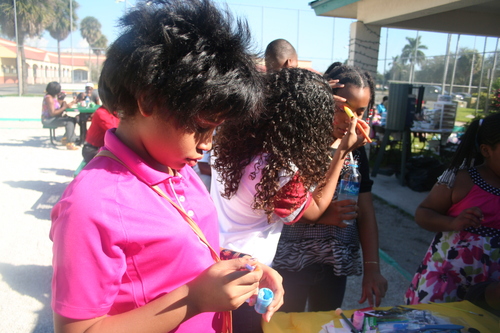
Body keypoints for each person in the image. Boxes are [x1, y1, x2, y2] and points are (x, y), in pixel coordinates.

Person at [50, 1, 284, 333]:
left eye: (216, 129)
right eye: (202, 126)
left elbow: (185, 252)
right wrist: (193, 300)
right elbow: (77, 330)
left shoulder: (177, 168)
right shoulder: (91, 205)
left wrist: (243, 265)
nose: (207, 145)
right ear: (148, 100)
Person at [211, 67, 367, 332]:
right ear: (304, 122)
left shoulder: (235, 139)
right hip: (248, 278)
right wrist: (342, 152)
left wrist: (308, 89)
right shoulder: (277, 171)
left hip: (218, 257)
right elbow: (315, 210)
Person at [272, 62, 388, 313]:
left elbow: (365, 211)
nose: (351, 120)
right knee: (285, 326)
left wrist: (372, 268)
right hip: (289, 261)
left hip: (333, 263)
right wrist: (323, 216)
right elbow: (281, 208)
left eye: (360, 111)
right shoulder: (297, 143)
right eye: (342, 109)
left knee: (324, 324)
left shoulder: (357, 151)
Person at [405, 112, 500, 305]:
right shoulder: (462, 179)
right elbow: (423, 213)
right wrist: (453, 222)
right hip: (445, 280)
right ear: (486, 150)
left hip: (491, 288)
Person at [41, 81, 79, 150]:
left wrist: (63, 101)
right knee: (69, 122)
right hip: (48, 120)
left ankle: (66, 138)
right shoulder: (49, 98)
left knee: (73, 119)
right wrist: (63, 108)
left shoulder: (53, 97)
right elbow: (53, 113)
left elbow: (60, 107)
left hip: (54, 118)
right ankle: (70, 143)